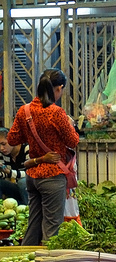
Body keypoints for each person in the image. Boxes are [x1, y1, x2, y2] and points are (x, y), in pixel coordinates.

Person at [7, 70, 77, 247]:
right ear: (59, 88)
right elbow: (73, 141)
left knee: (34, 224)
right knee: (52, 227)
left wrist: (31, 134)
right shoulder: (56, 113)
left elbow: (12, 139)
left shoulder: (25, 110)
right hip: (52, 176)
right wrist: (70, 125)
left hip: (32, 176)